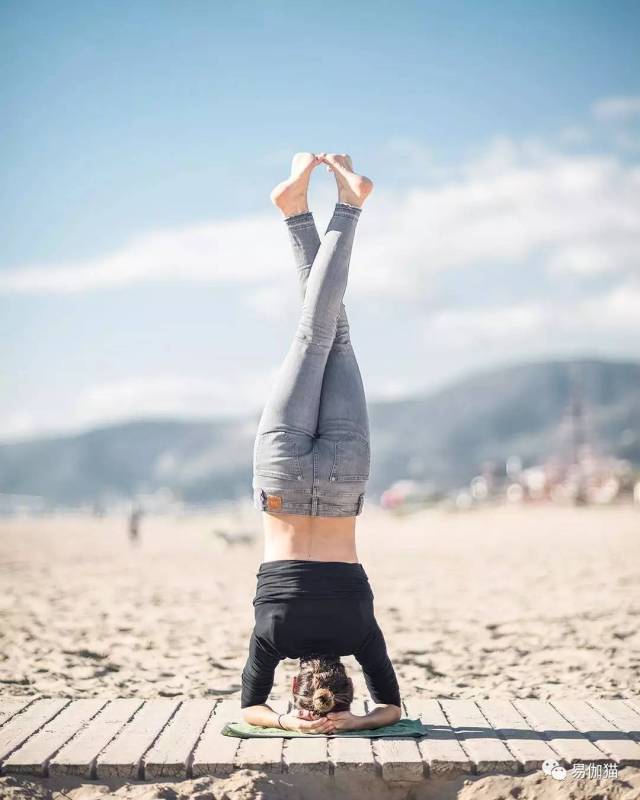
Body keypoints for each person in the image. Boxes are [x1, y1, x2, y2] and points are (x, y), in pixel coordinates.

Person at [241, 153, 401, 734]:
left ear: (346, 684)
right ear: (294, 685)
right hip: (282, 482)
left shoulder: (360, 633)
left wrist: (353, 723)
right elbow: (249, 711)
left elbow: (392, 711)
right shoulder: (272, 638)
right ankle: (321, 211)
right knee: (317, 335)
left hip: (341, 483)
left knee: (333, 336)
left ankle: (308, 214)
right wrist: (287, 726)